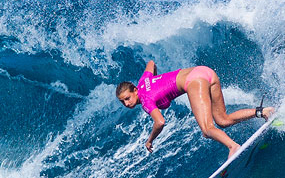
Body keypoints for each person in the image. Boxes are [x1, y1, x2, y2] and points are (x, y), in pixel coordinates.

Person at [116, 61, 274, 158]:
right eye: (123, 102)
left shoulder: (145, 100)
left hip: (194, 81)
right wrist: (156, 82)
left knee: (207, 129)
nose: (127, 103)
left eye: (127, 98)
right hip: (204, 71)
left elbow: (160, 122)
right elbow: (151, 63)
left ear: (135, 90)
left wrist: (150, 140)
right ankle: (263, 112)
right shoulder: (144, 80)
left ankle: (233, 146)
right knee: (223, 120)